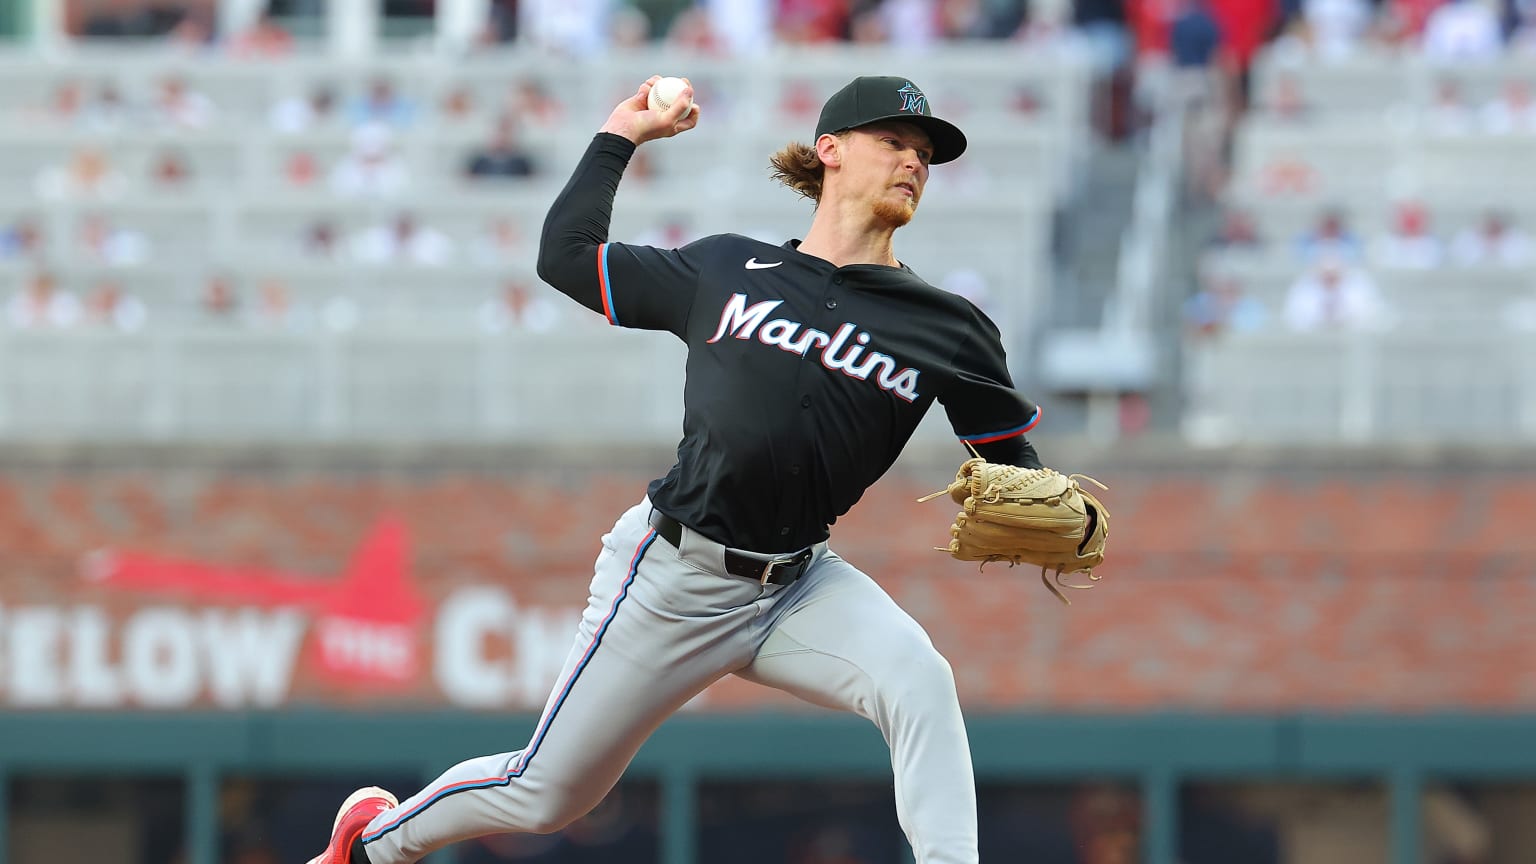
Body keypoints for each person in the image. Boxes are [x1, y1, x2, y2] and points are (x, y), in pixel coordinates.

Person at [307, 74, 1043, 864]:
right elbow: (566, 257)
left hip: (800, 585)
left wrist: (1047, 499)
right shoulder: (726, 269)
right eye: (894, 141)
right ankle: (373, 845)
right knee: (546, 793)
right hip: (674, 576)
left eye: (925, 153)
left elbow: (1011, 464)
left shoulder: (949, 326)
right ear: (830, 151)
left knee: (919, 679)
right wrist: (621, 134)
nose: (914, 162)